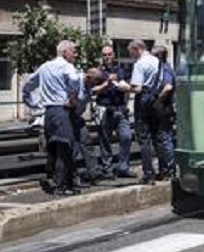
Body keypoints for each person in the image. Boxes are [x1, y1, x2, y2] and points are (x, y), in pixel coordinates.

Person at [21, 40, 80, 197]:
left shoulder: (45, 66)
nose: (75, 54)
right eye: (73, 51)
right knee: (64, 150)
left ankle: (63, 182)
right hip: (62, 111)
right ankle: (62, 187)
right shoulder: (67, 66)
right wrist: (73, 98)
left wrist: (31, 102)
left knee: (53, 150)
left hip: (49, 113)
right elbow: (74, 80)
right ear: (65, 52)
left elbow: (28, 85)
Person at [125, 39, 168, 185]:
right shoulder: (158, 62)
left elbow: (137, 88)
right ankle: (164, 170)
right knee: (158, 137)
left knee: (144, 140)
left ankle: (148, 173)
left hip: (143, 102)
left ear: (137, 49)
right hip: (156, 101)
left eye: (131, 52)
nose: (131, 56)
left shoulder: (140, 64)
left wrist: (125, 87)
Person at [92, 46, 135, 179]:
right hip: (105, 109)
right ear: (101, 56)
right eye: (105, 55)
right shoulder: (97, 72)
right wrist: (106, 83)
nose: (107, 57)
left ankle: (123, 167)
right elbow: (93, 90)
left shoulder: (122, 69)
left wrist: (125, 87)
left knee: (126, 137)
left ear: (114, 55)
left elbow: (130, 85)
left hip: (120, 109)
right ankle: (107, 168)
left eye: (110, 54)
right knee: (105, 140)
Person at [71, 67, 105, 186]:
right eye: (94, 82)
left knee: (87, 143)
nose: (94, 85)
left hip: (78, 118)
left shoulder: (88, 86)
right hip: (68, 118)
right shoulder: (75, 82)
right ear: (88, 77)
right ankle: (71, 176)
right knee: (73, 148)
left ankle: (93, 172)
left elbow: (94, 91)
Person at [152, 45, 176, 180]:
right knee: (162, 139)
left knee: (165, 139)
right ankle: (165, 169)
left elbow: (168, 87)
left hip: (164, 109)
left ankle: (168, 170)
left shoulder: (165, 69)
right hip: (164, 109)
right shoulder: (162, 69)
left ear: (159, 57)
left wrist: (157, 100)